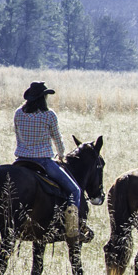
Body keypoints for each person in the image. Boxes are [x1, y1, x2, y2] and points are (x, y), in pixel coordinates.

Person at [13, 81, 83, 230]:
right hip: (43, 161)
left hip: (21, 160)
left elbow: (18, 136)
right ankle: (72, 227)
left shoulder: (18, 113)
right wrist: (62, 154)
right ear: (42, 98)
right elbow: (57, 138)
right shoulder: (49, 115)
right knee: (74, 190)